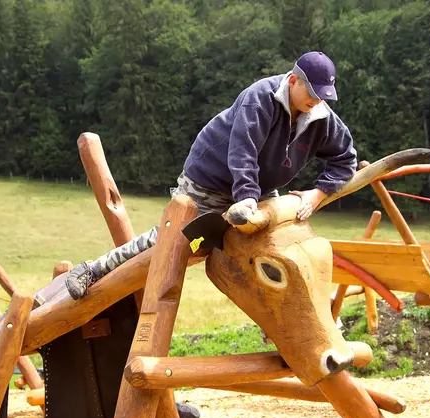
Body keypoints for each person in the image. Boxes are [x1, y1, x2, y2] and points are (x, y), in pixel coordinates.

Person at [66, 51, 358, 300]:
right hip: (210, 183)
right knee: (167, 242)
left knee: (276, 250)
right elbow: (242, 153)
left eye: (324, 97)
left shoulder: (321, 118)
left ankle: (287, 326)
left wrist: (318, 192)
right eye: (313, 94)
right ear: (293, 80)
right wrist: (246, 200)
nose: (318, 102)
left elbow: (346, 159)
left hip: (258, 190)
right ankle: (93, 270)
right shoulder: (259, 100)